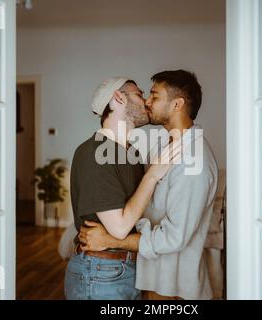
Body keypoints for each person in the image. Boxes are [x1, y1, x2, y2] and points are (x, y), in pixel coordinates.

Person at [79, 70, 219, 300]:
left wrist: (110, 239)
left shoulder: (194, 161)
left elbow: (174, 238)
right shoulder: (163, 146)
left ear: (177, 104)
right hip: (151, 280)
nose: (147, 102)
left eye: (154, 96)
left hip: (173, 290)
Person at [65, 77, 180, 300]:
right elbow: (119, 228)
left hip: (126, 270)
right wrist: (154, 174)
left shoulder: (132, 153)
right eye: (139, 94)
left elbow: (138, 211)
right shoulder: (93, 153)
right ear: (118, 98)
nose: (147, 101)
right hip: (100, 275)